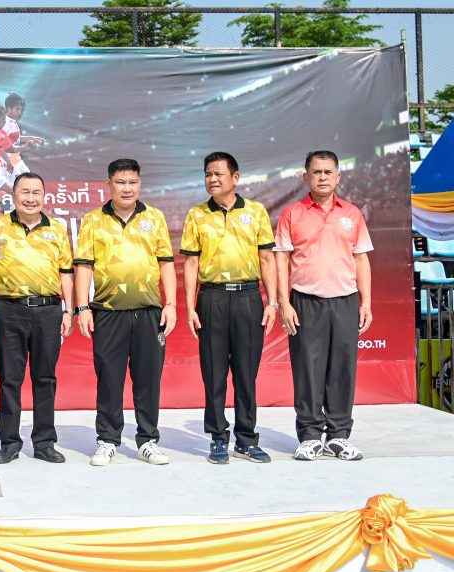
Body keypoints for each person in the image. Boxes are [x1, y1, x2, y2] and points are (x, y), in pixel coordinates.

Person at [74, 158, 177, 467]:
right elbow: (84, 266)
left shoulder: (154, 218)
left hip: (148, 312)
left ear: (139, 184)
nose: (127, 188)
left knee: (148, 379)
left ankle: (148, 440)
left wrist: (171, 304)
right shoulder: (93, 220)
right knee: (109, 377)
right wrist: (82, 307)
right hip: (108, 312)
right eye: (120, 182)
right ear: (109, 185)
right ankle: (107, 440)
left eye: (132, 182)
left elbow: (166, 263)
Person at [275, 150, 373, 462]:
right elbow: (281, 260)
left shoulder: (352, 214)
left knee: (342, 369)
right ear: (306, 177)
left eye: (328, 172)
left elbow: (361, 259)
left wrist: (366, 302)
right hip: (305, 301)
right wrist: (283, 302)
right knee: (307, 369)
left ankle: (339, 436)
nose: (322, 177)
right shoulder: (292, 214)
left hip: (345, 301)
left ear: (338, 176)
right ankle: (309, 436)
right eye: (316, 172)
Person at [180, 152, 277, 465]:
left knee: (247, 373)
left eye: (218, 174)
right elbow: (191, 263)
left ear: (235, 177)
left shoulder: (256, 211)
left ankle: (246, 440)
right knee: (214, 373)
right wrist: (190, 307)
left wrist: (272, 302)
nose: (212, 179)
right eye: (208, 174)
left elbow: (267, 259)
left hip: (249, 298)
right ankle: (218, 438)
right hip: (212, 299)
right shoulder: (197, 215)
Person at [0, 172, 73, 464]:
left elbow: (66, 272)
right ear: (14, 195)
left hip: (48, 311)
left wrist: (69, 310)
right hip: (8, 310)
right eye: (25, 192)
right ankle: (9, 443)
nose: (30, 198)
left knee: (45, 378)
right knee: (9, 379)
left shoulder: (57, 229)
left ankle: (45, 442)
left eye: (36, 192)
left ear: (44, 196)